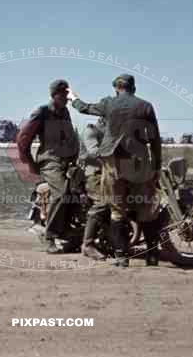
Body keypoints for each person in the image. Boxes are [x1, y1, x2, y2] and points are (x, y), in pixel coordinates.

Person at [69, 74, 162, 267]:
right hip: (139, 163)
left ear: (116, 89)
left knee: (117, 210)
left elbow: (85, 108)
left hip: (114, 163)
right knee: (147, 210)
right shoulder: (145, 106)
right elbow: (155, 139)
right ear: (133, 88)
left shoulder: (108, 103)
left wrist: (73, 98)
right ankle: (152, 257)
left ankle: (121, 258)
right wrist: (156, 166)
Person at [16, 79, 80, 254]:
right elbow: (22, 141)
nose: (67, 99)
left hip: (68, 162)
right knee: (60, 194)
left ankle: (71, 232)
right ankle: (49, 236)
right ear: (54, 95)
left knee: (81, 192)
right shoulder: (42, 112)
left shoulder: (65, 112)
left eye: (68, 95)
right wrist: (31, 164)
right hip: (50, 162)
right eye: (63, 95)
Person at [78, 117, 109, 260]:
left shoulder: (112, 135)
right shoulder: (91, 131)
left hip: (108, 173)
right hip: (92, 174)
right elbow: (94, 152)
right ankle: (87, 245)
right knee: (102, 202)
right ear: (103, 119)